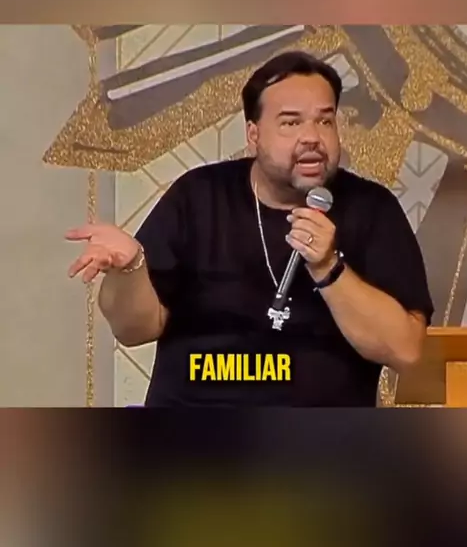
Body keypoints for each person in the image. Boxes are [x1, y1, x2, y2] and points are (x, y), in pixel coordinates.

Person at [66, 51, 434, 406]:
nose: (312, 137)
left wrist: (329, 268)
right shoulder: (199, 196)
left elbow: (406, 351)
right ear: (253, 134)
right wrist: (129, 269)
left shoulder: (372, 209)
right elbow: (134, 330)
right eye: (291, 123)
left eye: (325, 121)